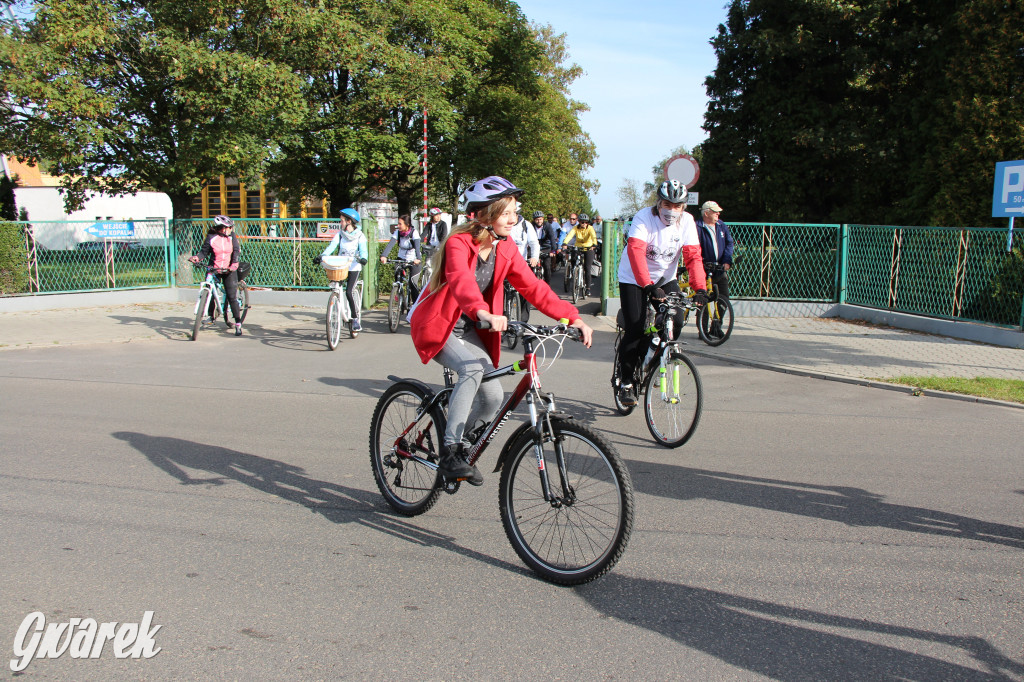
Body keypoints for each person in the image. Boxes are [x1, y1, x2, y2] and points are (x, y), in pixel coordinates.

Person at [409, 176, 593, 485]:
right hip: (441, 326)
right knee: (470, 370)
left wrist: (572, 317)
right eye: (506, 212)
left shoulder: (505, 250)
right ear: (485, 215)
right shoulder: (458, 242)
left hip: (471, 329)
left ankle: (463, 448)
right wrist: (482, 311)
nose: (514, 219)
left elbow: (535, 289)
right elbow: (461, 281)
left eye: (514, 212)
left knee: (493, 396)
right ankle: (450, 452)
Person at [615, 180, 708, 407]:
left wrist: (700, 289)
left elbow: (693, 256)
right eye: (668, 204)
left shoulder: (686, 222)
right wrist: (647, 284)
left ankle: (656, 360)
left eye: (677, 206)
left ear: (684, 207)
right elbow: (636, 251)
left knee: (675, 320)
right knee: (635, 326)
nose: (672, 210)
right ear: (659, 203)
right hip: (634, 278)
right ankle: (626, 381)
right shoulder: (644, 217)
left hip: (666, 278)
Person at [313, 208, 368, 332]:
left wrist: (363, 258)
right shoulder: (339, 234)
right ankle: (339, 308)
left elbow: (364, 250)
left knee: (349, 291)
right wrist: (322, 256)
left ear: (349, 221)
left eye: (342, 220)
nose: (340, 223)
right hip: (341, 266)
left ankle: (354, 319)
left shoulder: (360, 235)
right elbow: (331, 247)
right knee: (336, 286)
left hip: (354, 266)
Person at [189, 215, 244, 336]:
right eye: (229, 227)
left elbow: (236, 251)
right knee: (209, 290)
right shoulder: (212, 237)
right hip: (214, 268)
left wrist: (234, 265)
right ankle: (210, 316)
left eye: (231, 227)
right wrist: (197, 258)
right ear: (222, 228)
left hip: (229, 270)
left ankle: (238, 323)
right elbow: (204, 252)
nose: (230, 229)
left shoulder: (232, 237)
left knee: (231, 296)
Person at [695, 200, 734, 301]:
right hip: (704, 269)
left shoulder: (721, 225)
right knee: (704, 299)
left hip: (720, 269)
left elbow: (729, 243)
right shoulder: (697, 227)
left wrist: (726, 261)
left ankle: (719, 317)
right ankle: (702, 317)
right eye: (715, 211)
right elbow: (693, 248)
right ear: (706, 213)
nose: (718, 213)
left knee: (724, 298)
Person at [379, 215, 422, 301]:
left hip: (413, 259)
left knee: (413, 284)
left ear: (407, 225)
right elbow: (390, 245)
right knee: (397, 274)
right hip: (401, 257)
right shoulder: (397, 232)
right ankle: (399, 294)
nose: (398, 226)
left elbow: (417, 247)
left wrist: (418, 259)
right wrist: (384, 255)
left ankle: (415, 307)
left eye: (400, 224)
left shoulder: (414, 232)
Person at [561, 213, 599, 296]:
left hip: (588, 248)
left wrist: (594, 244)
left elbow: (593, 237)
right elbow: (570, 235)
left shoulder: (590, 228)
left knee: (587, 267)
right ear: (579, 222)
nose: (584, 224)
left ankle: (588, 288)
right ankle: (574, 272)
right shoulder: (576, 228)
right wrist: (564, 243)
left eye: (586, 222)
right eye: (582, 222)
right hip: (578, 247)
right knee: (573, 260)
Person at [534, 210, 561, 282]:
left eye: (540, 219)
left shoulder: (547, 226)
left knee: (547, 266)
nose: (539, 221)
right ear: (534, 220)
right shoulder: (531, 226)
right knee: (531, 265)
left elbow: (552, 237)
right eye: (537, 219)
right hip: (534, 246)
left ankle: (547, 285)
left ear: (543, 219)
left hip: (545, 247)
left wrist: (553, 250)